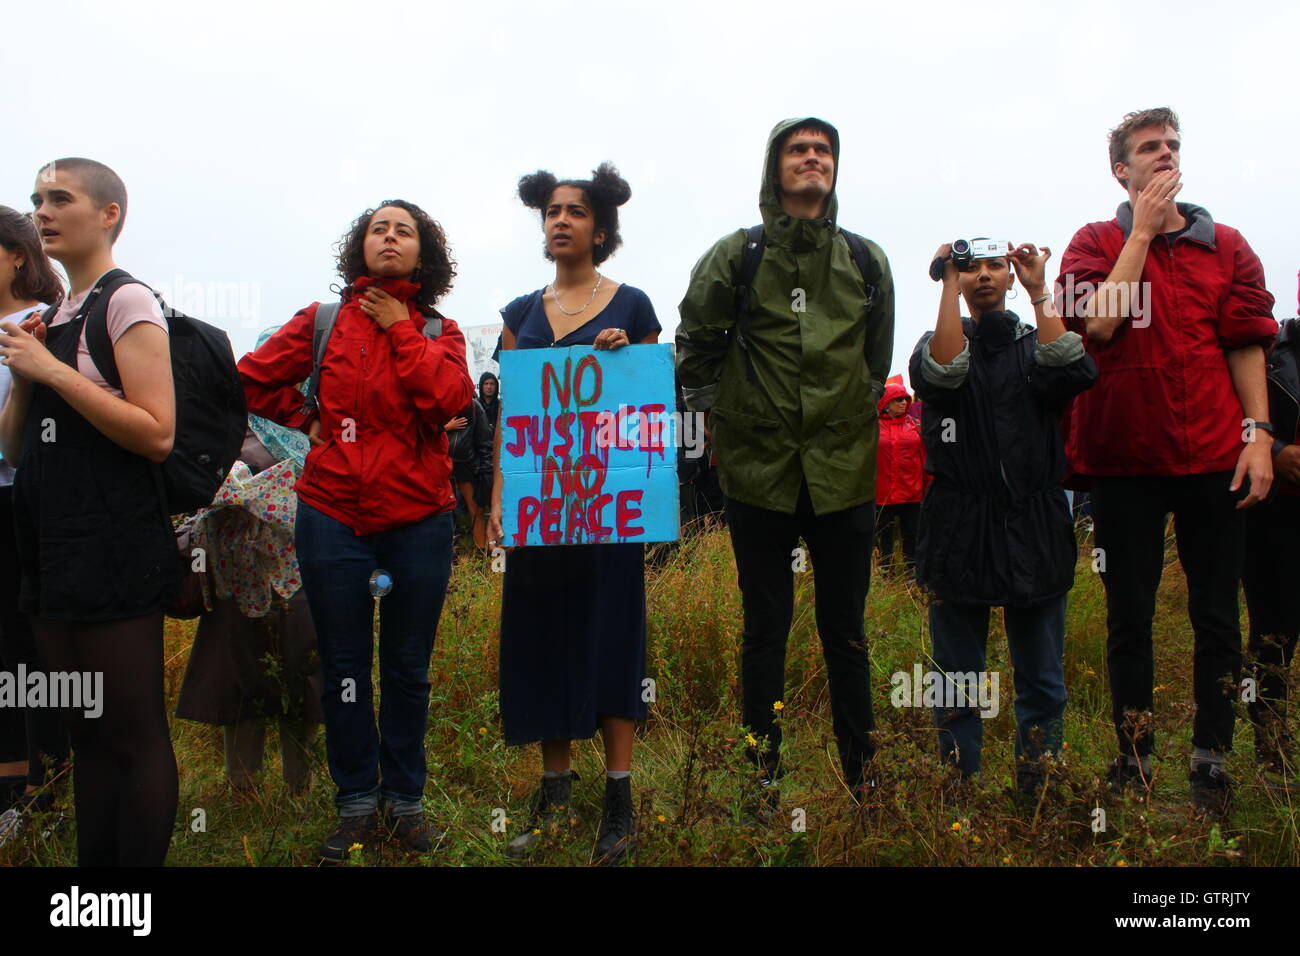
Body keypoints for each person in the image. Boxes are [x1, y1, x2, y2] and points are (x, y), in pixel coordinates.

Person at [1057, 107, 1277, 819]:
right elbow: (1099, 322)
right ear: (1121, 169)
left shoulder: (1230, 247)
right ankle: (1135, 754)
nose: (1165, 155)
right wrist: (1143, 232)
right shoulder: (1094, 241)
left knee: (1218, 613)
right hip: (1125, 460)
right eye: (1148, 148)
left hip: (1215, 452)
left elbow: (1245, 344)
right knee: (1130, 613)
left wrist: (1260, 434)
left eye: (1173, 145)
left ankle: (1211, 758)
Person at [238, 198, 473, 862]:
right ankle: (356, 805)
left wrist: (401, 328)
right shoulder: (323, 321)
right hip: (333, 514)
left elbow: (450, 402)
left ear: (424, 255)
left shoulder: (439, 331)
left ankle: (406, 802)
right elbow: (250, 381)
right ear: (360, 247)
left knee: (406, 666)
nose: (390, 237)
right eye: (379, 228)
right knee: (343, 666)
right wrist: (308, 419)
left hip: (419, 518)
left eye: (405, 230)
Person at [676, 117, 895, 809]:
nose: (812, 159)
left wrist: (839, 425)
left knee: (847, 631)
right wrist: (731, 425)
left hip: (842, 476)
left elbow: (875, 364)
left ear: (836, 167)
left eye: (823, 150)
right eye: (798, 150)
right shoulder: (733, 256)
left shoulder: (865, 260)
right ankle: (760, 778)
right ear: (774, 168)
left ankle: (864, 776)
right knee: (765, 629)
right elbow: (696, 349)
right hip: (760, 476)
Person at [0, 159, 180, 867]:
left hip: (113, 549)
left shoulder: (126, 301)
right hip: (50, 549)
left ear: (109, 214)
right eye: (38, 198)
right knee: (86, 731)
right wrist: (24, 380)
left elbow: (157, 432)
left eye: (61, 198)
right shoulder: (52, 317)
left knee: (133, 734)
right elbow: (13, 446)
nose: (43, 210)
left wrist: (52, 372)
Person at [489, 163, 659, 865]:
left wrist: (621, 363)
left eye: (576, 212)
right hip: (539, 511)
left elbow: (651, 413)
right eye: (552, 211)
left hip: (607, 511)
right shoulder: (519, 315)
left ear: (601, 228)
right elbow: (510, 417)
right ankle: (554, 794)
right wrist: (499, 494)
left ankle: (619, 801)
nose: (561, 221)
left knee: (612, 637)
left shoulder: (633, 306)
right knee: (540, 642)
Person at [910, 241, 1097, 795]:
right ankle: (957, 787)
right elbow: (941, 374)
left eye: (996, 266)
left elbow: (1072, 369)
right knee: (956, 679)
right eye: (971, 268)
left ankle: (1038, 794)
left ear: (1010, 277)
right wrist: (946, 281)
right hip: (959, 527)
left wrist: (1041, 289)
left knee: (1041, 679)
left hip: (1033, 524)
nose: (984, 275)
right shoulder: (939, 339)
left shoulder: (1034, 342)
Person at [175, 340, 323, 794]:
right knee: (240, 682)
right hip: (237, 579)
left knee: (302, 682)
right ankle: (244, 790)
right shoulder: (227, 430)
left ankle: (300, 789)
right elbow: (201, 487)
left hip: (300, 578)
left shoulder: (316, 432)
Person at [0, 206, 69, 845]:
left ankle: (39, 796)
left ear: (16, 255)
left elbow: (22, 442)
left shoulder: (41, 326)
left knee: (27, 656)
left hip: (22, 505)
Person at [1241, 282, 1300, 789]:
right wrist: (1276, 449)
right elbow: (1231, 407)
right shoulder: (1268, 353)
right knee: (1274, 632)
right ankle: (1269, 746)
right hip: (1278, 514)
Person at [874, 382, 925, 574]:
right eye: (898, 399)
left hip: (912, 491)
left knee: (913, 536)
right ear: (886, 402)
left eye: (905, 399)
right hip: (883, 493)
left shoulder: (915, 425)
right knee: (883, 536)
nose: (903, 402)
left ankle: (913, 575)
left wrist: (927, 484)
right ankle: (886, 574)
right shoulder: (873, 427)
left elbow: (924, 456)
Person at [444, 394, 492, 550]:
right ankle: (455, 550)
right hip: (443, 464)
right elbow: (426, 433)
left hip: (465, 465)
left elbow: (484, 440)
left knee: (475, 509)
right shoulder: (441, 405)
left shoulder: (474, 407)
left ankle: (481, 552)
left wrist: (485, 468)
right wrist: (445, 428)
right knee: (446, 511)